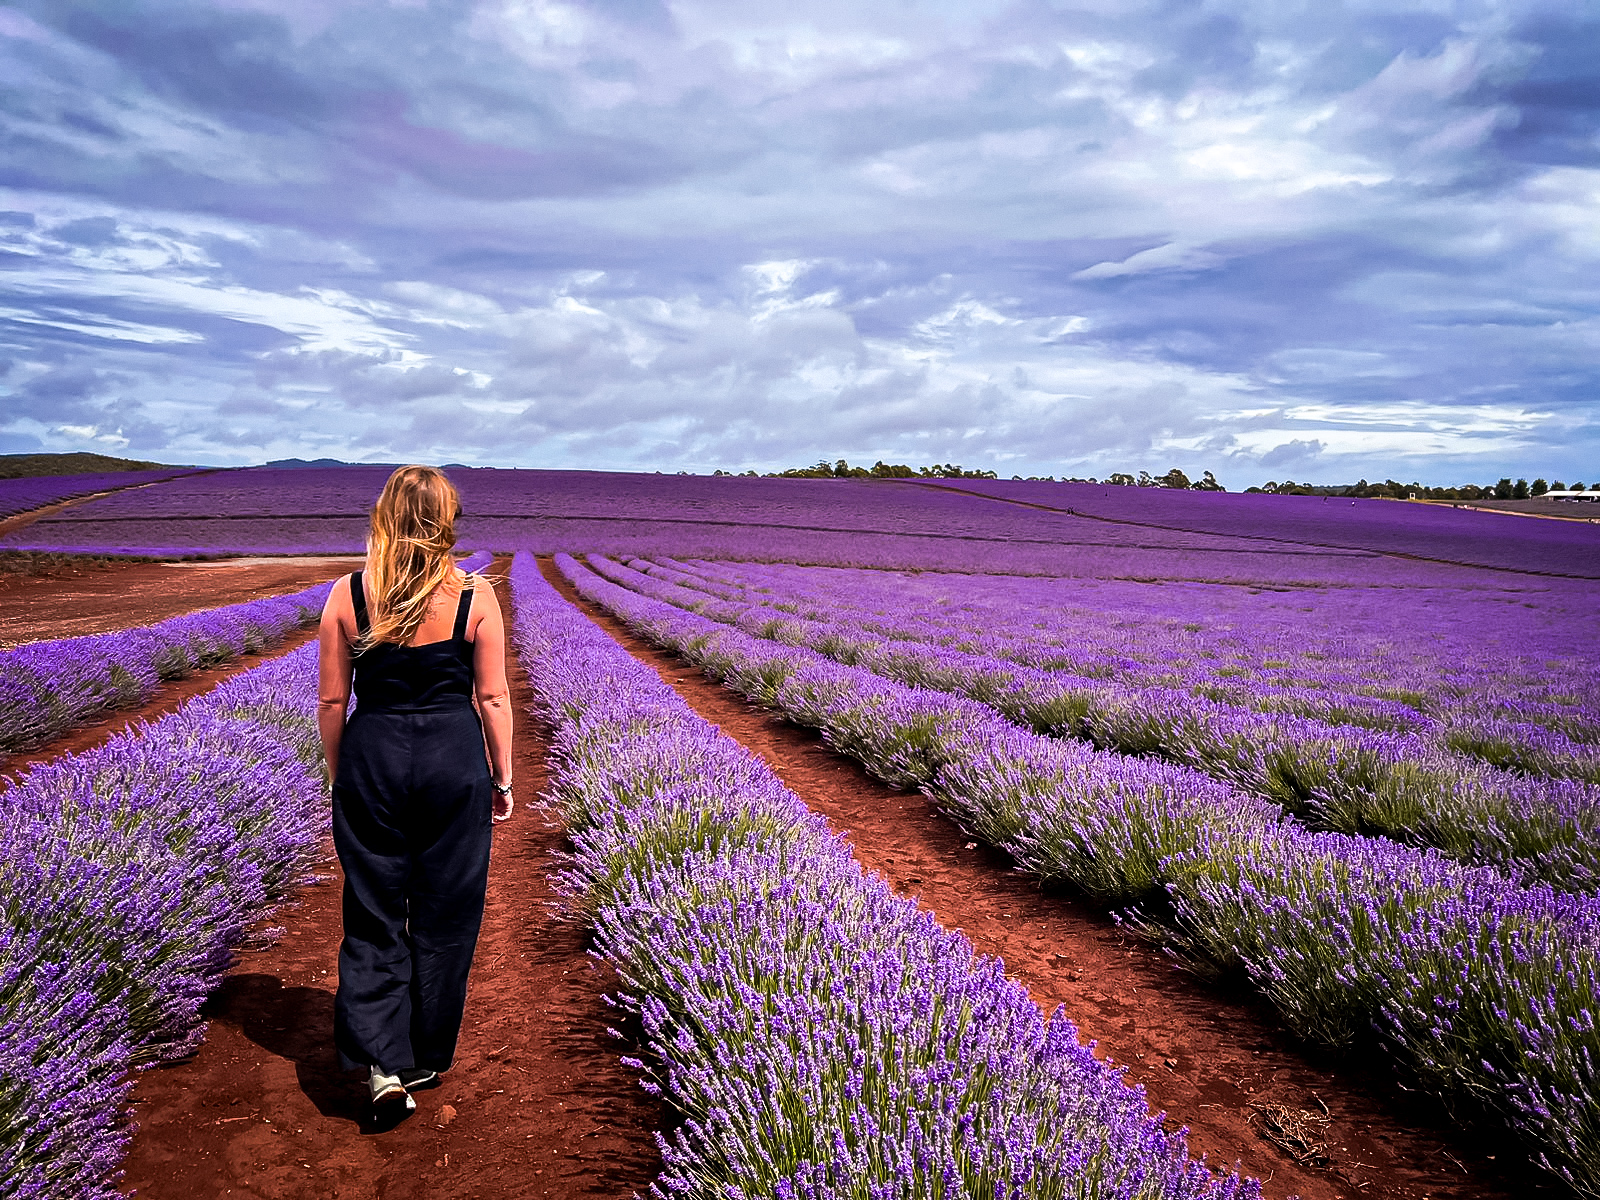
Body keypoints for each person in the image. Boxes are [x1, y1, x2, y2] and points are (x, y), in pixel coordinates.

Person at [316, 465, 514, 1116]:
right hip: (452, 762)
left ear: (385, 517)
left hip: (374, 756)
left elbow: (330, 701)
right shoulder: (474, 596)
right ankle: (425, 1054)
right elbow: (491, 696)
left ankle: (383, 1068)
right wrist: (503, 775)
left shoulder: (347, 594)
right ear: (446, 520)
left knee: (373, 908)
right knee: (447, 910)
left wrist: (342, 773)